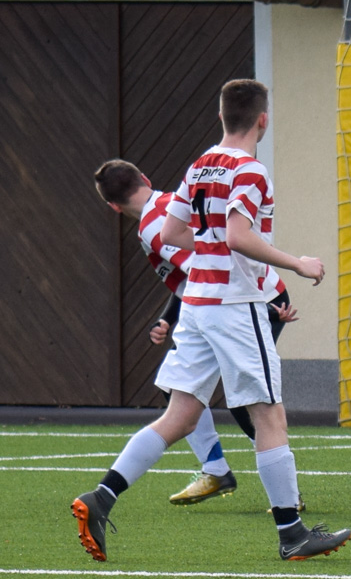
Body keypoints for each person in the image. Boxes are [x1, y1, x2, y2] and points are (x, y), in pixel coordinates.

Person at [71, 79, 349, 562]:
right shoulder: (250, 169)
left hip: (197, 304)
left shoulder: (200, 164)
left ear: (221, 117)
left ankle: (102, 496)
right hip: (235, 305)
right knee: (269, 416)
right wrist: (297, 263)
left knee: (179, 416)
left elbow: (172, 233)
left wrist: (213, 246)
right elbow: (238, 237)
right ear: (263, 120)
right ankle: (292, 534)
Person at [96, 159, 301, 506]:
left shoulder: (154, 225)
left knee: (248, 400)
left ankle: (282, 495)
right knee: (184, 389)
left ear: (113, 206)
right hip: (237, 298)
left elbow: (204, 270)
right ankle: (219, 470)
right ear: (145, 178)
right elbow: (198, 274)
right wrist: (168, 318)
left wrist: (268, 308)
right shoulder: (173, 201)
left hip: (247, 300)